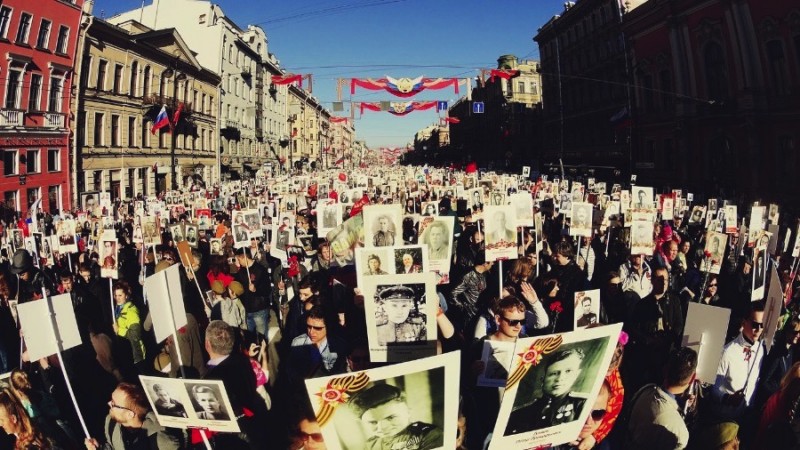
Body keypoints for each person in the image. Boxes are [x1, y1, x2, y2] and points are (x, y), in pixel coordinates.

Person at [626, 347, 697, 450]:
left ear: (665, 369)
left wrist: (680, 404)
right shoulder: (681, 434)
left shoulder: (645, 390)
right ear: (692, 379)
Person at [505, 348, 588, 434]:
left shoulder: (582, 404)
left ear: (576, 375)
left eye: (568, 371)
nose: (559, 379)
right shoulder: (519, 413)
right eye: (554, 373)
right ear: (543, 379)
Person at [84, 382, 184, 450]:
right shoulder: (111, 422)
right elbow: (113, 446)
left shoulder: (162, 440)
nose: (109, 403)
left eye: (114, 404)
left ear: (129, 414)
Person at [712, 301, 766, 421]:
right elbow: (714, 389)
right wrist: (728, 399)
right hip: (725, 418)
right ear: (744, 322)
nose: (759, 329)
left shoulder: (760, 348)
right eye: (755, 324)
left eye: (762, 325)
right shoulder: (727, 352)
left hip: (747, 415)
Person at [351, 383, 443, 450]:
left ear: (408, 412)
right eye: (373, 422)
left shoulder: (429, 434)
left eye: (391, 417)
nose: (383, 427)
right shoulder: (371, 445)